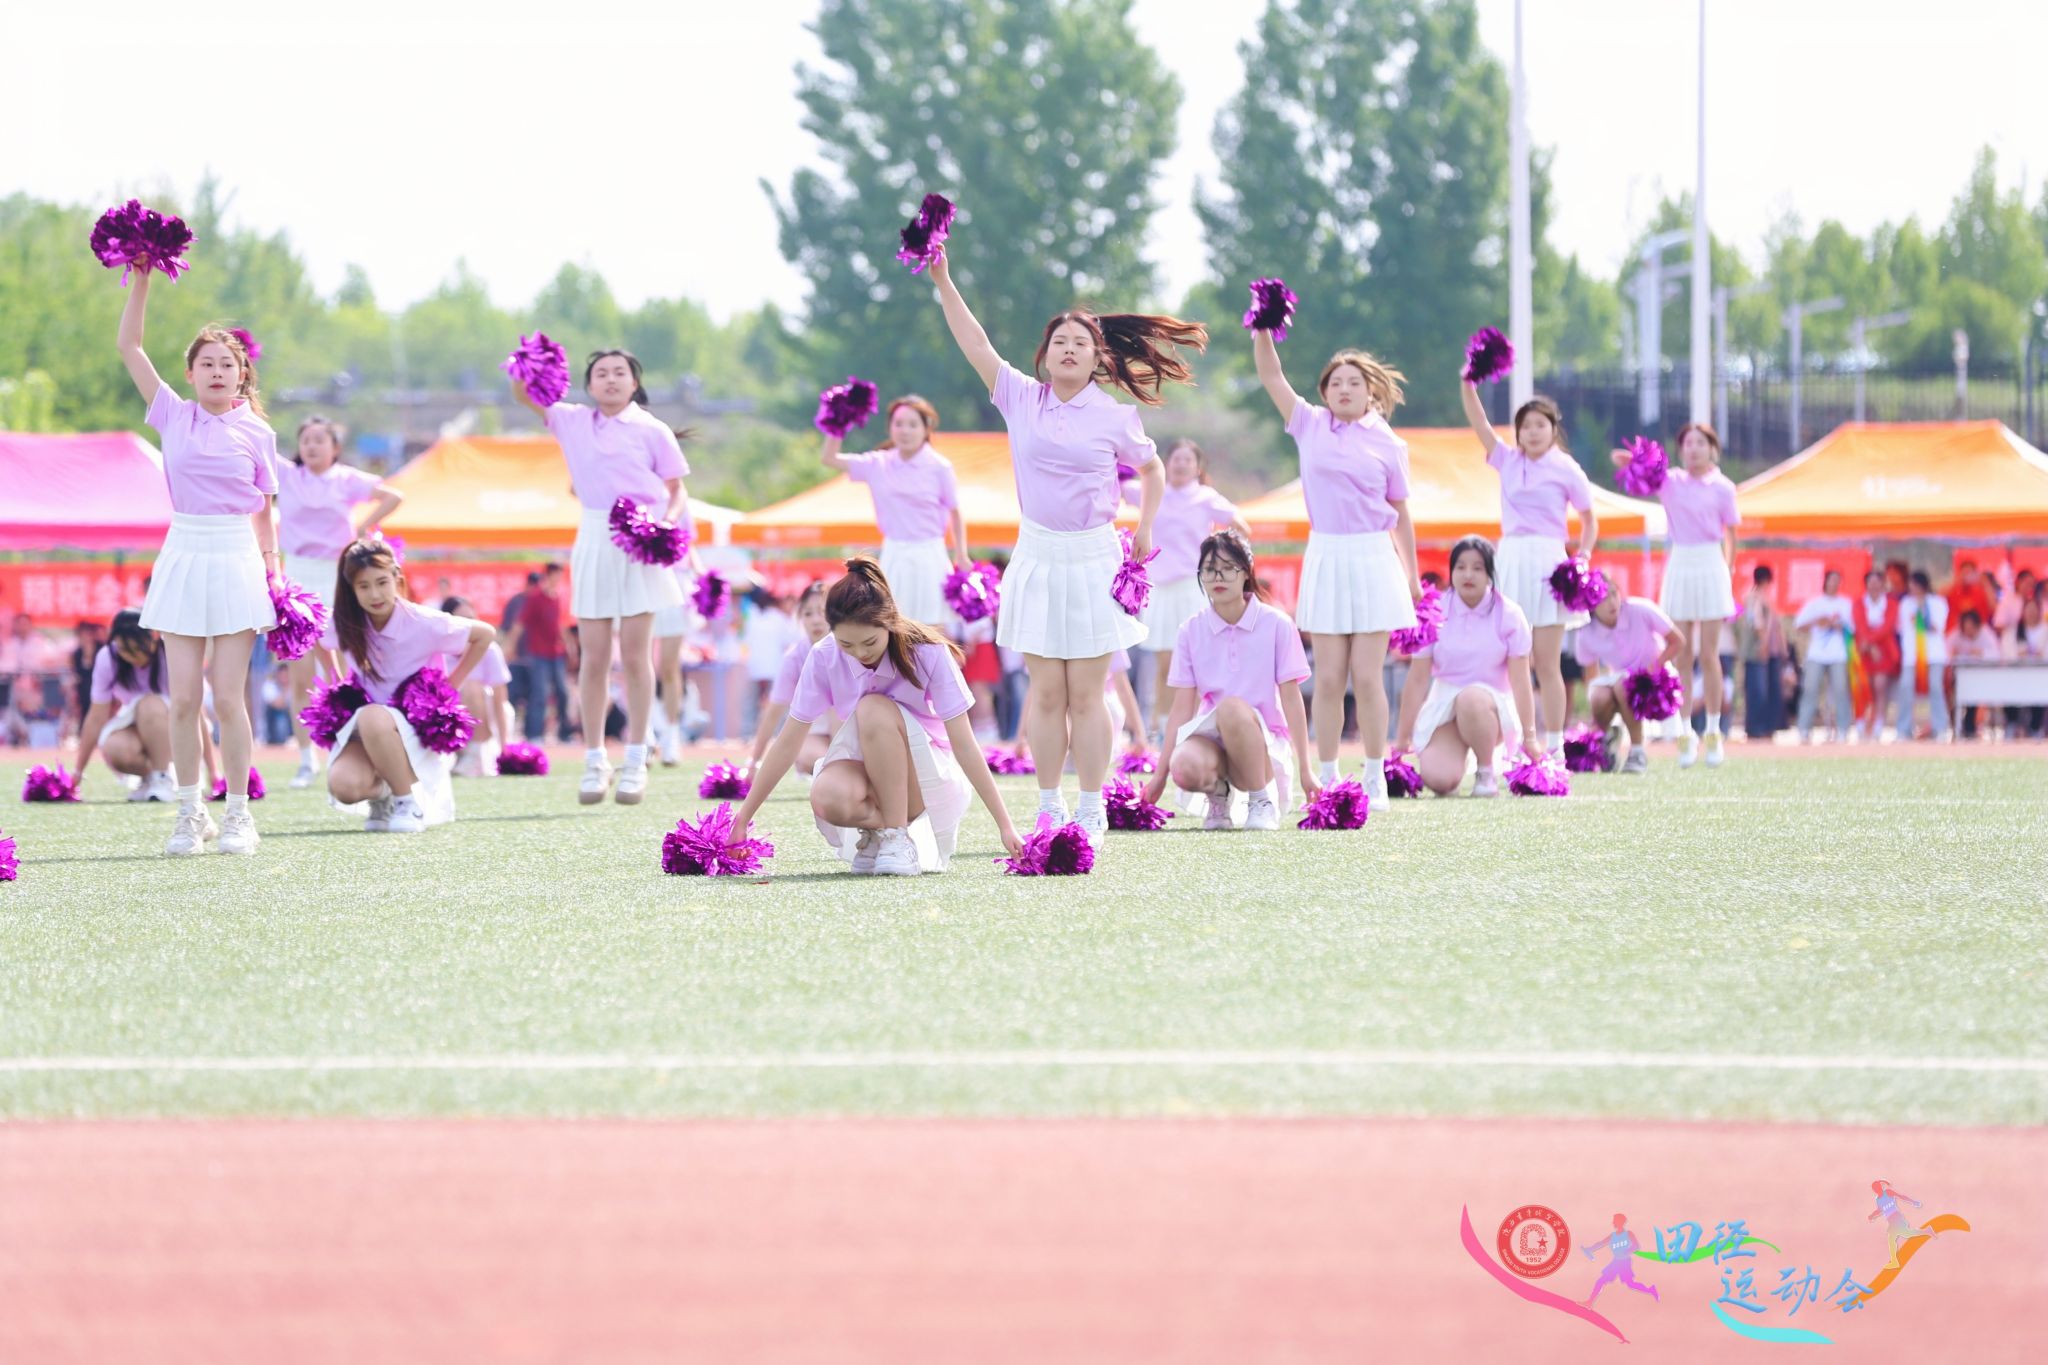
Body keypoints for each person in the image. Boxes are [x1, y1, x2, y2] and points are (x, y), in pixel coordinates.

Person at [928, 239, 1205, 847]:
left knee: (1088, 694)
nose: (1070, 348)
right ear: (1045, 355)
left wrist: (1145, 527)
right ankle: (1049, 805)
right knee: (1046, 693)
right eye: (1060, 341)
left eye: (1081, 342)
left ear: (1097, 356)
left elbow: (1152, 469)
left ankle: (1090, 806)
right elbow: (975, 342)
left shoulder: (1114, 415)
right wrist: (944, 280)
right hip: (1037, 554)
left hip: (1094, 557)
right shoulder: (1019, 396)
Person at [115, 261, 278, 856]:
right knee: (183, 698)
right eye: (206, 363)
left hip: (236, 555)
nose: (216, 372)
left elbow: (264, 509)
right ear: (190, 373)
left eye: (226, 364)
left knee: (229, 698)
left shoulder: (258, 433)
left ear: (242, 374)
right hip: (184, 550)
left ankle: (238, 814)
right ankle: (190, 814)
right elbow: (130, 346)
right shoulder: (172, 413)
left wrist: (274, 570)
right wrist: (142, 279)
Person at [729, 557, 1022, 876]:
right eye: (846, 644)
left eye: (870, 642)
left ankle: (897, 837)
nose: (860, 653)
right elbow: (788, 741)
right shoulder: (823, 655)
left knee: (872, 708)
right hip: (868, 771)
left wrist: (1005, 825)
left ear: (889, 622)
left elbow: (964, 743)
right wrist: (743, 818)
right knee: (827, 796)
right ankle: (878, 833)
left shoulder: (929, 652)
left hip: (927, 780)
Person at [510, 349, 690, 805]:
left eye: (620, 373)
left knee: (635, 656)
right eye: (601, 374)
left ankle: (636, 759)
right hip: (594, 534)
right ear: (588, 385)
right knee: (592, 658)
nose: (611, 380)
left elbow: (676, 490)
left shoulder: (652, 429)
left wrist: (664, 525)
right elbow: (522, 392)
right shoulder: (571, 420)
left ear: (634, 382)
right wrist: (528, 360)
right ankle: (594, 761)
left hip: (640, 537)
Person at [1259, 331, 1420, 811]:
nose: (1344, 389)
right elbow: (1271, 375)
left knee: (1367, 677)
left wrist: (1412, 577)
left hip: (1374, 557)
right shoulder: (1309, 423)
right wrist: (1263, 328)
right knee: (1328, 678)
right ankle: (1326, 777)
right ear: (1324, 393)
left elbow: (1401, 514)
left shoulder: (1389, 443)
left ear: (1371, 391)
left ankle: (1374, 775)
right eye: (1335, 383)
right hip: (1327, 553)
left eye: (1353, 382)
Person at [313, 540, 493, 832]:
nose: (375, 594)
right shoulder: (346, 622)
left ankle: (407, 802)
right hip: (370, 725)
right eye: (363, 586)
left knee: (372, 715)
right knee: (343, 786)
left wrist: (449, 686)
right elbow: (316, 636)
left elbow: (485, 634)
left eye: (382, 582)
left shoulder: (424, 621)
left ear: (397, 578)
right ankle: (384, 793)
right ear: (351, 589)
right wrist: (335, 678)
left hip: (415, 725)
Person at [1142, 531, 1315, 831]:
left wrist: (1306, 770)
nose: (1217, 577)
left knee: (1231, 708)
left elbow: (1291, 698)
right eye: (1209, 569)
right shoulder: (1190, 630)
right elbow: (1181, 709)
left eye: (1227, 568)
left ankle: (1261, 801)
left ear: (1246, 572)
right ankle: (1218, 796)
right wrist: (1160, 776)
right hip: (1214, 738)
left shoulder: (1277, 624)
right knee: (1184, 765)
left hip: (1263, 745)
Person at [1465, 387, 1596, 753]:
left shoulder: (1566, 468)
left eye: (1540, 425)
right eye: (1526, 426)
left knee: (1548, 663)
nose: (1533, 432)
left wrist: (1582, 558)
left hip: (1550, 560)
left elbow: (1589, 520)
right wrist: (1468, 384)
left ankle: (1554, 746)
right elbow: (1479, 422)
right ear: (1517, 432)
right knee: (1507, 659)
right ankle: (1509, 742)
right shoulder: (1506, 459)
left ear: (1553, 428)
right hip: (1510, 557)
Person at [277, 414, 403, 789]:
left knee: (345, 669)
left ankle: (352, 749)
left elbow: (394, 496)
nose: (312, 446)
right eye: (306, 439)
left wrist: (363, 527)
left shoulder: (347, 479)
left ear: (335, 447)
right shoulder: (287, 475)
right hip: (297, 574)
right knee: (300, 673)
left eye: (320, 439)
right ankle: (306, 759)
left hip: (337, 574)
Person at [1614, 424, 1739, 767]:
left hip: (1711, 563)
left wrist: (1727, 570)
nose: (1694, 449)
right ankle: (1685, 733)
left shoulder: (1724, 488)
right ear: (1681, 450)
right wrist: (1635, 461)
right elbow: (1630, 469)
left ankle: (1713, 732)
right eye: (1688, 443)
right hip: (1681, 562)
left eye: (1701, 443)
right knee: (1681, 654)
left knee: (1710, 654)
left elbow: (1732, 534)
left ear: (1712, 448)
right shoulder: (1669, 482)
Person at [1393, 535, 1542, 797]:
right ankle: (1456, 760)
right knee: (1438, 779)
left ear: (1490, 574)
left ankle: (1485, 772)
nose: (1468, 574)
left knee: (1471, 699)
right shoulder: (1433, 611)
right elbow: (1417, 680)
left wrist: (1530, 737)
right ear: (1451, 572)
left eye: (1477, 567)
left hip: (1491, 706)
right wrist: (1402, 738)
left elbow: (1520, 681)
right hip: (1445, 705)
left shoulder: (1510, 614)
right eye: (1460, 567)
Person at [1131, 439, 1250, 735]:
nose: (1181, 465)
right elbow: (1117, 485)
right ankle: (1161, 728)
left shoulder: (1205, 497)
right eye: (1176, 459)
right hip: (1160, 588)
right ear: (1166, 463)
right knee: (1164, 663)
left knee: (1195, 663)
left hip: (1192, 587)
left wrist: (1224, 560)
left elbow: (1241, 525)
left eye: (1188, 460)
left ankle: (1194, 725)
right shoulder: (1152, 490)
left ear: (1198, 468)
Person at [821, 394, 969, 627]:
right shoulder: (877, 463)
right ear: (890, 427)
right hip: (894, 552)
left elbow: (955, 511)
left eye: (912, 424)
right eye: (898, 424)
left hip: (929, 552)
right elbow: (829, 458)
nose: (905, 431)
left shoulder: (939, 467)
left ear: (926, 428)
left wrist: (961, 554)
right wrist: (839, 421)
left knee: (932, 626)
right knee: (892, 624)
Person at [1573, 578, 1684, 773]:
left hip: (1655, 680)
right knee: (1600, 695)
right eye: (1603, 598)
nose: (1612, 602)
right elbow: (1591, 677)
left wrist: (1654, 667)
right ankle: (1605, 743)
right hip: (1619, 680)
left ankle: (1637, 752)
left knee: (1623, 685)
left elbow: (1678, 641)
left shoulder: (1641, 609)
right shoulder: (1585, 632)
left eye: (1614, 594)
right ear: (1591, 605)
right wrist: (1595, 714)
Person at [70, 610, 177, 801]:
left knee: (149, 704)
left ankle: (163, 776)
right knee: (116, 748)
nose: (132, 656)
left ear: (153, 637)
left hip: (175, 729)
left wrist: (213, 773)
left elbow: (195, 711)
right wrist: (77, 773)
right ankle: (150, 778)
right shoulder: (108, 657)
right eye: (123, 649)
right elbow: (96, 717)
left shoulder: (169, 652)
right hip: (133, 723)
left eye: (137, 648)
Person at [745, 580, 837, 778]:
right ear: (799, 617)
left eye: (822, 612)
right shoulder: (794, 657)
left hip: (848, 730)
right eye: (808, 613)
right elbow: (774, 711)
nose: (816, 620)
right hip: (815, 734)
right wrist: (754, 761)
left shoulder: (848, 648)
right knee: (813, 757)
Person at [439, 596, 515, 776]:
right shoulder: (438, 650)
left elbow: (500, 701)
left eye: (471, 619)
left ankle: (474, 755)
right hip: (447, 718)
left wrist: (505, 747)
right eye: (462, 621)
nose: (469, 626)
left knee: (472, 686)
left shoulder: (490, 649)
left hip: (485, 720)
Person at [1794, 569, 1854, 743]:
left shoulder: (1846, 604)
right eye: (1831, 580)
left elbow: (1854, 629)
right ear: (1825, 581)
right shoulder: (1815, 604)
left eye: (1837, 580)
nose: (1834, 583)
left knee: (1841, 691)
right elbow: (1799, 625)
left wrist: (1840, 626)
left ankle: (1843, 730)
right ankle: (1804, 730)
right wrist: (1818, 621)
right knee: (1810, 690)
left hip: (1839, 654)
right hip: (1817, 654)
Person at [1893, 571, 1951, 742]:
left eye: (1914, 585)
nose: (1912, 588)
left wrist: (1921, 614)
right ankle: (1903, 729)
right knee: (1905, 687)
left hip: (1934, 654)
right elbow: (1902, 628)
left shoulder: (1938, 602)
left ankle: (1940, 728)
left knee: (1935, 687)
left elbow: (1937, 627)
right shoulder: (1905, 603)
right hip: (1912, 655)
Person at [1734, 566, 1789, 743]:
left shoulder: (1767, 599)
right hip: (1757, 651)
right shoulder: (1753, 598)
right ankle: (1755, 728)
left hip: (1771, 651)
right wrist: (1763, 644)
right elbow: (1756, 622)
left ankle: (1768, 727)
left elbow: (1776, 625)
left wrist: (1782, 649)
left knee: (1771, 690)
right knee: (1757, 690)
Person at [1852, 568, 1901, 740]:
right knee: (1863, 687)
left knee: (1880, 686)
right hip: (1864, 650)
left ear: (1882, 584)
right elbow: (1859, 625)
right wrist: (1869, 645)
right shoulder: (1859, 604)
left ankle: (1879, 723)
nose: (1873, 586)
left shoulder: (1891, 604)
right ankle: (1861, 722)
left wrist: (1872, 643)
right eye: (1870, 582)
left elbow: (1887, 627)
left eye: (1877, 582)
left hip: (1884, 650)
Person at [1580, 1214, 1659, 1309]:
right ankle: (1590, 1302)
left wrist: (1628, 1251)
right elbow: (1601, 1243)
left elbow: (1637, 1246)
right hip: (1616, 1262)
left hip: (1625, 1262)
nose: (1613, 1222)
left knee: (1631, 1284)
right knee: (1601, 1281)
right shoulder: (1612, 1236)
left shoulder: (1628, 1234)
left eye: (1615, 1220)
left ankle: (1651, 1290)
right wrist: (1589, 1249)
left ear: (1620, 1222)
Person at [1945, 608, 2002, 739]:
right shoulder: (1956, 635)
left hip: (1983, 679)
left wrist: (1981, 653)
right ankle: (1955, 727)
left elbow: (1996, 655)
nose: (1968, 632)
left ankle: (1970, 727)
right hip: (1959, 679)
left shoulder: (1986, 634)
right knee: (1955, 697)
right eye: (1966, 628)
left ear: (1978, 626)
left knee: (1974, 696)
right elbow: (1946, 651)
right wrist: (1954, 654)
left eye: (1971, 628)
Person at [2001, 594, 2046, 738]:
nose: (2031, 612)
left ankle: (2035, 728)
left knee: (2040, 694)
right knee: (2008, 691)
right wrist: (2018, 654)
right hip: (2016, 675)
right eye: (2028, 609)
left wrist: (2040, 655)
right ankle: (2012, 724)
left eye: (2034, 609)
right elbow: (2006, 652)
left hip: (2039, 676)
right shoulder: (2013, 631)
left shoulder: (2045, 631)